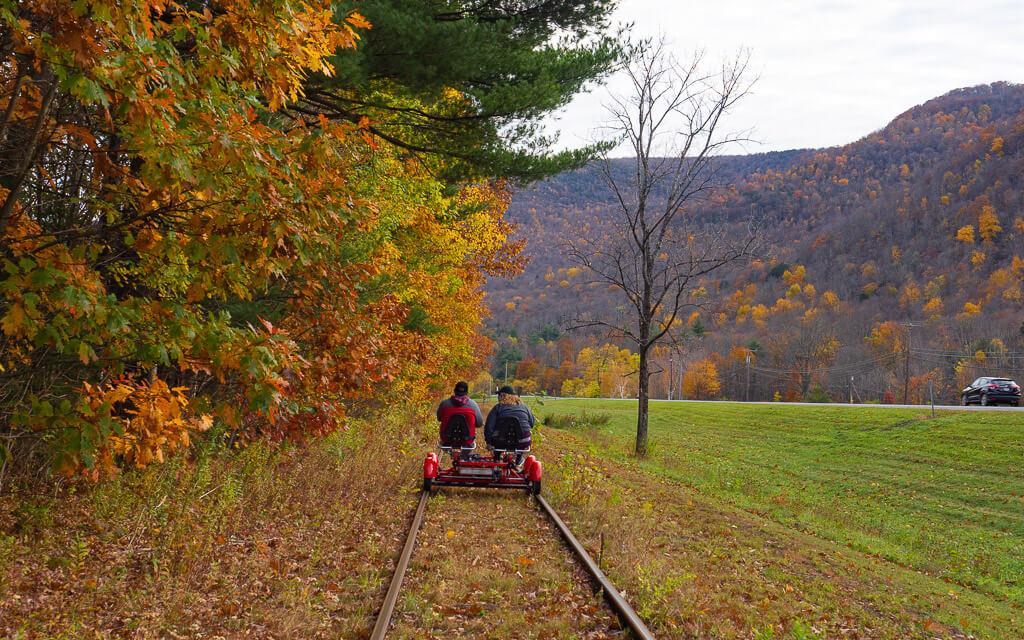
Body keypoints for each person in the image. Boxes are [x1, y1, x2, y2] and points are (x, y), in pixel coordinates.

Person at [483, 385, 535, 460]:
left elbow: (489, 427)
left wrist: (489, 442)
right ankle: (519, 458)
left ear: (502, 395)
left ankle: (497, 457)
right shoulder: (524, 407)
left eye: (499, 395)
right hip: (523, 441)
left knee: (497, 440)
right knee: (521, 441)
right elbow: (532, 423)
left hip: (500, 441)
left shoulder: (498, 408)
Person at [436, 381, 484, 447]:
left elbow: (439, 418)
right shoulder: (473, 405)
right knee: (468, 450)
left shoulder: (444, 404)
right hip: (467, 441)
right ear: (467, 392)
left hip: (446, 440)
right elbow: (479, 424)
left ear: (455, 391)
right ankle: (466, 456)